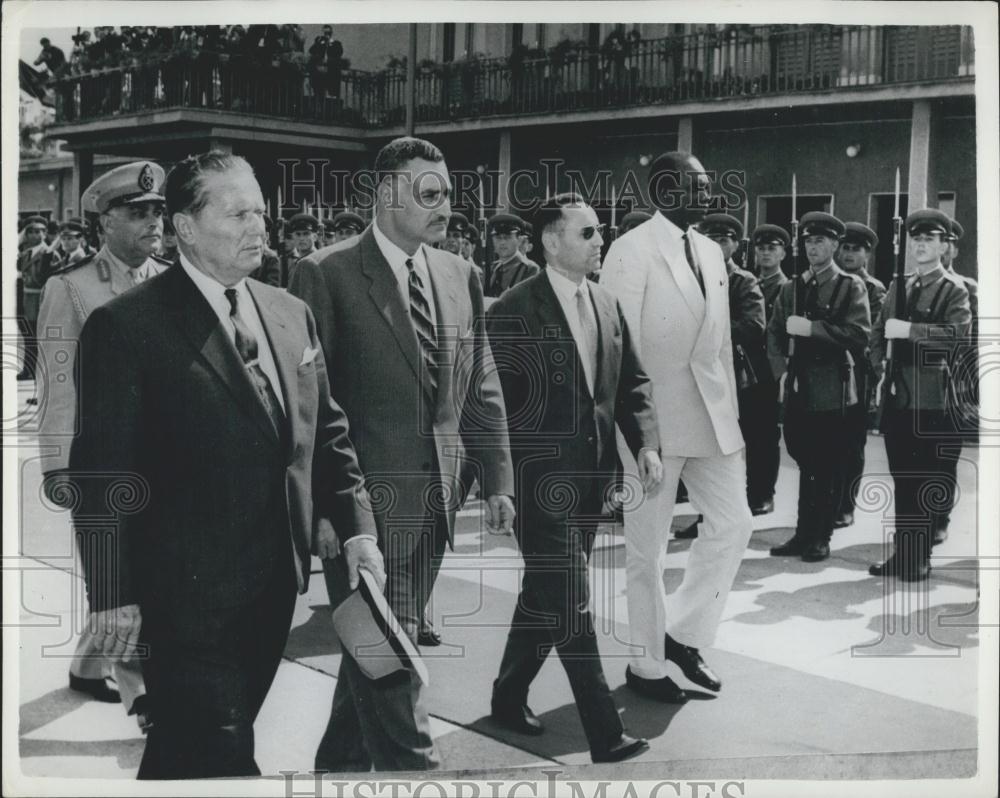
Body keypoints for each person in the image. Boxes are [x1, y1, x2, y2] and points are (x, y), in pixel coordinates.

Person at [68, 152, 380, 779]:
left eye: (261, 211)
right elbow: (101, 475)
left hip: (272, 591)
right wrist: (113, 593)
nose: (258, 226)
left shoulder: (290, 313)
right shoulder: (127, 325)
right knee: (225, 754)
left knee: (187, 754)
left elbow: (327, 433)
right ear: (185, 227)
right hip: (181, 600)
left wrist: (358, 527)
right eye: (237, 212)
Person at [289, 136, 515, 771]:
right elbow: (308, 404)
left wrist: (497, 477)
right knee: (386, 651)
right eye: (429, 194)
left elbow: (481, 379)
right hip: (360, 508)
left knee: (388, 640)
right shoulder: (325, 273)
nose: (445, 207)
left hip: (438, 497)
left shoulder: (458, 272)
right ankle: (416, 769)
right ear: (387, 195)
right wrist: (325, 510)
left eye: (447, 194)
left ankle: (335, 770)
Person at [487, 193, 660, 762]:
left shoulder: (606, 304)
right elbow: (489, 406)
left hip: (592, 482)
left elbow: (632, 383)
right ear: (550, 241)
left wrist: (646, 447)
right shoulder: (512, 310)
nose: (599, 242)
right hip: (539, 484)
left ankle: (508, 695)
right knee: (571, 601)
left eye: (599, 232)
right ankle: (604, 734)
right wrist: (500, 484)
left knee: (547, 593)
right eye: (587, 233)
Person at [600, 151, 752, 701]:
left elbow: (722, 343)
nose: (708, 195)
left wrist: (731, 414)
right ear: (664, 189)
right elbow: (616, 347)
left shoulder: (711, 250)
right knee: (648, 550)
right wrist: (637, 434)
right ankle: (646, 667)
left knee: (735, 524)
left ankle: (683, 634)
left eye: (708, 185)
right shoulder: (631, 250)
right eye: (697, 186)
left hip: (712, 419)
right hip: (653, 426)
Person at [37, 163, 175, 730]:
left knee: (143, 575)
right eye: (137, 212)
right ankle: (144, 698)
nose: (152, 222)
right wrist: (59, 466)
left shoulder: (173, 279)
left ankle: (89, 666)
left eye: (157, 211)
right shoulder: (69, 288)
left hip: (166, 464)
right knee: (116, 576)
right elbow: (56, 385)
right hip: (100, 464)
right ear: (105, 222)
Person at [868, 209, 971, 581]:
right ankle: (903, 552)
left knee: (925, 477)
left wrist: (909, 329)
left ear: (944, 246)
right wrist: (882, 368)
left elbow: (956, 337)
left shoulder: (952, 289)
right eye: (916, 239)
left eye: (929, 239)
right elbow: (878, 333)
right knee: (902, 477)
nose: (921, 245)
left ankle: (920, 555)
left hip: (930, 394)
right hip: (898, 393)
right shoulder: (899, 285)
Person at [767, 212, 870, 562]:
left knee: (826, 464)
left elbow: (859, 335)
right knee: (804, 459)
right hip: (798, 386)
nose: (814, 247)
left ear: (835, 246)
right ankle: (802, 532)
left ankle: (819, 535)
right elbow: (774, 334)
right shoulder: (791, 288)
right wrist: (780, 372)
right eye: (809, 241)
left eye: (821, 241)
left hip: (832, 387)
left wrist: (813, 329)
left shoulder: (849, 286)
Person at [700, 213, 772, 515]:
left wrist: (710, 330)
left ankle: (755, 497)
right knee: (708, 445)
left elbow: (754, 325)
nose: (717, 245)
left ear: (735, 245)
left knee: (748, 441)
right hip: (703, 370)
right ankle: (708, 511)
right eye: (712, 239)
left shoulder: (743, 281)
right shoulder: (693, 279)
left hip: (739, 372)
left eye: (724, 240)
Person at [833, 222, 886, 528]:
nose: (849, 253)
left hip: (858, 373)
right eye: (845, 247)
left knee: (852, 443)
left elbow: (871, 335)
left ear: (867, 254)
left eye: (856, 249)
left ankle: (845, 505)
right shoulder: (831, 282)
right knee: (827, 441)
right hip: (830, 373)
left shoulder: (873, 288)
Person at [750, 224, 790, 513]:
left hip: (768, 368)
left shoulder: (786, 288)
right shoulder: (747, 283)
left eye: (772, 248)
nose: (766, 253)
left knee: (764, 435)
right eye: (761, 248)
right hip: (743, 367)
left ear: (783, 254)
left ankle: (764, 492)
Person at [16, 216, 56, 381]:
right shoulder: (26, 253)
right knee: (29, 335)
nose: (36, 235)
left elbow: (46, 277)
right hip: (27, 297)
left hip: (40, 297)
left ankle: (36, 370)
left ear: (46, 233)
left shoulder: (48, 253)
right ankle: (29, 368)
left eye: (40, 231)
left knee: (38, 335)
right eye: (32, 231)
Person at [485, 213, 540, 297]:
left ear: (519, 240)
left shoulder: (529, 269)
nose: (502, 242)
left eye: (507, 237)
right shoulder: (493, 268)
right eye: (498, 237)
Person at [280, 212, 319, 286]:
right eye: (298, 234)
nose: (301, 238)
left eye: (306, 234)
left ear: (315, 237)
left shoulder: (319, 261)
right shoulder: (296, 263)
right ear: (293, 237)